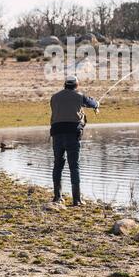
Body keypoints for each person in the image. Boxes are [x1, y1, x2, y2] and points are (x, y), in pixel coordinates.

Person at [50, 75, 99, 206]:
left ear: (65, 85)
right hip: (72, 134)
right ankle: (76, 200)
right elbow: (92, 103)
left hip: (57, 134)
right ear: (76, 85)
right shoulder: (79, 96)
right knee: (74, 166)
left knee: (57, 164)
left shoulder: (54, 97)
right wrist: (96, 104)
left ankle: (57, 197)